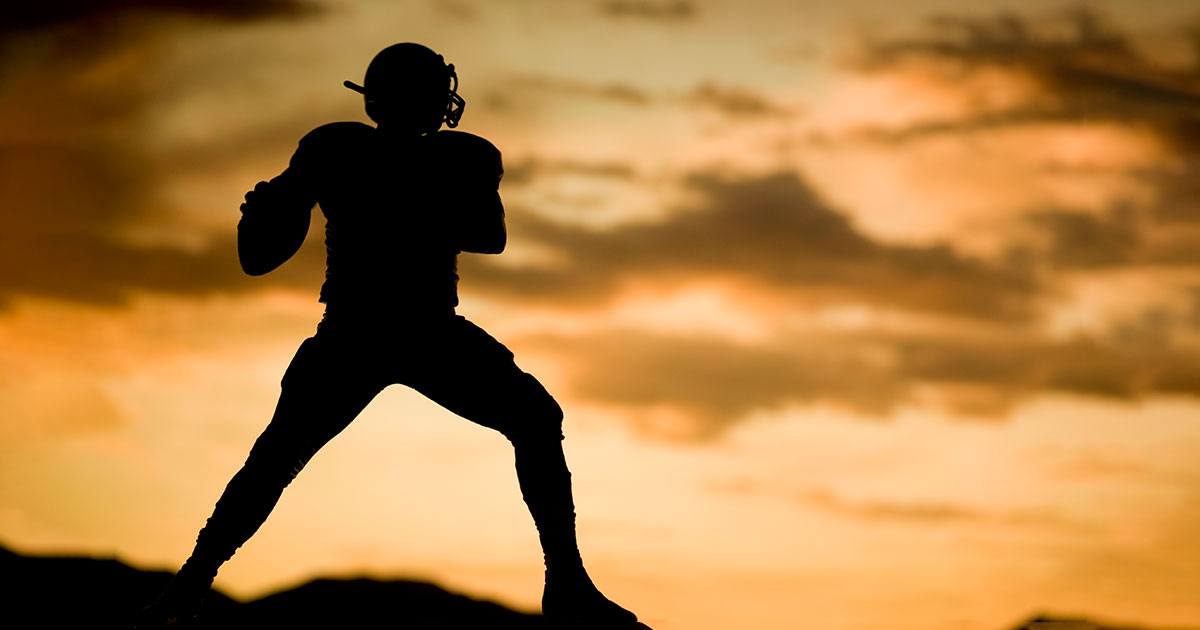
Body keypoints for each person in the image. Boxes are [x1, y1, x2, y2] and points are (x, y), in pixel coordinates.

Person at [134, 43, 644, 629]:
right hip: (403, 327)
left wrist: (339, 200)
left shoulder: (349, 150)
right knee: (278, 458)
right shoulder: (435, 154)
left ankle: (189, 587)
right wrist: (273, 210)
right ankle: (569, 584)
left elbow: (485, 236)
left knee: (275, 460)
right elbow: (486, 233)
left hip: (374, 328)